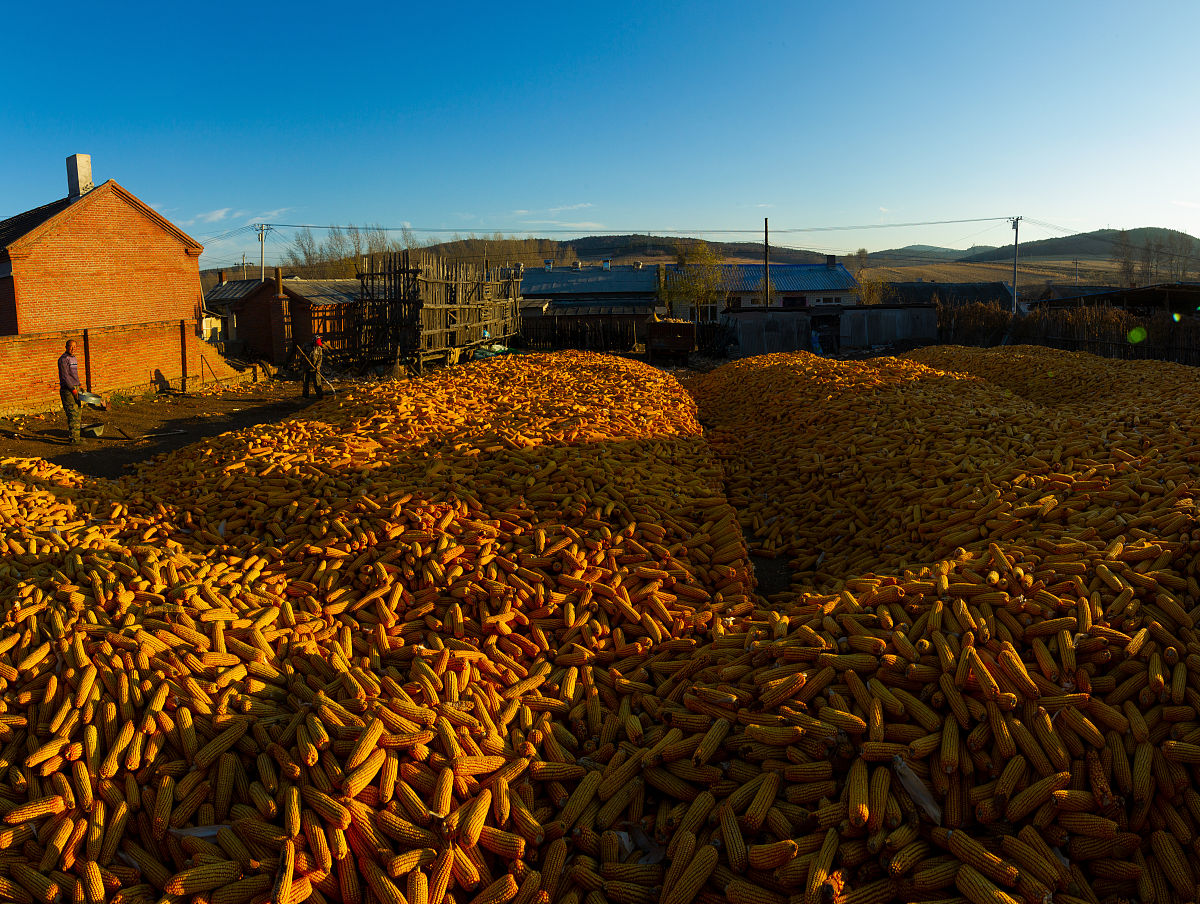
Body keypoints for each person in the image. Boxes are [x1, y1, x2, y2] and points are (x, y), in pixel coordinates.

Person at [58, 339, 83, 444]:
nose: (73, 348)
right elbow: (65, 377)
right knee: (72, 414)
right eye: (70, 346)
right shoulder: (63, 359)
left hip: (75, 388)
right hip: (68, 390)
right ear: (66, 347)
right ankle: (74, 439)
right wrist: (73, 389)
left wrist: (79, 385)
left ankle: (76, 437)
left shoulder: (74, 358)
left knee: (78, 413)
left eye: (75, 346)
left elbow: (73, 375)